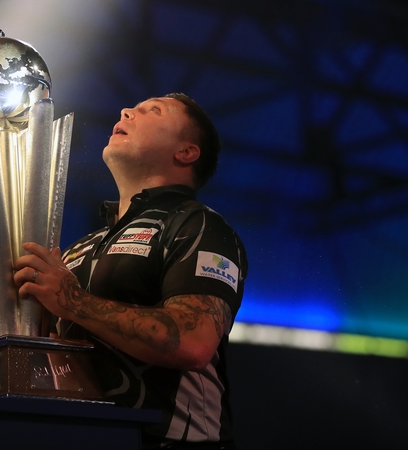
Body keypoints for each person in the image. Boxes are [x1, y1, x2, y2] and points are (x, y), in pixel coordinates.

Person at [14, 93, 248, 449]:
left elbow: (193, 342)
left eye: (152, 110)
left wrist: (72, 301)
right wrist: (18, 318)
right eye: (131, 108)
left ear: (185, 152)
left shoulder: (200, 226)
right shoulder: (81, 247)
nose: (125, 110)